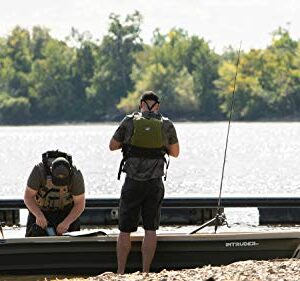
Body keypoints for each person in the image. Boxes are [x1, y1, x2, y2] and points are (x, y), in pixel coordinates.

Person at [109, 91, 180, 274]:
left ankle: (120, 272)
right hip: (154, 183)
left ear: (141, 104)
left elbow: (112, 146)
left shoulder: (129, 121)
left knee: (125, 230)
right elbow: (175, 152)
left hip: (132, 182)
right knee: (150, 229)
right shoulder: (166, 124)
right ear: (157, 106)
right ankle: (146, 271)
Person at [24, 150, 85, 237]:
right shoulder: (39, 171)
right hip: (41, 210)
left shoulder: (76, 175)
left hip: (66, 212)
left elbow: (80, 204)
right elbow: (28, 198)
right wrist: (39, 215)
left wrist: (66, 223)